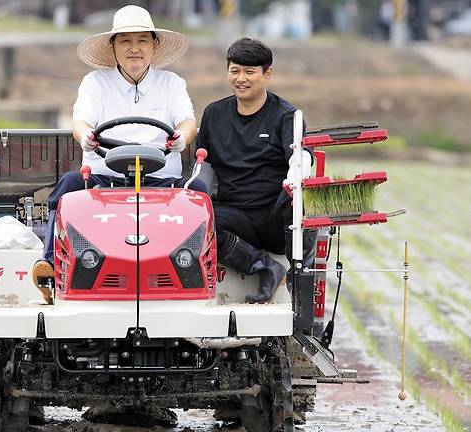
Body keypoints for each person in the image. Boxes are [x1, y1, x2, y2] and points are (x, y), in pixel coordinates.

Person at [33, 5, 205, 302]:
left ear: (155, 45)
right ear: (113, 46)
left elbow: (187, 122)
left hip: (160, 180)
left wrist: (182, 138)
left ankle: (197, 272)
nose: (134, 49)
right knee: (68, 186)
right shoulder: (95, 82)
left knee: (199, 191)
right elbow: (81, 121)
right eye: (125, 41)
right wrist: (86, 136)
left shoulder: (172, 84)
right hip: (103, 179)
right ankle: (49, 263)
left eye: (142, 41)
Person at [197, 38, 315, 303]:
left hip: (273, 214)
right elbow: (202, 165)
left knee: (300, 197)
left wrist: (299, 169)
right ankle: (266, 268)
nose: (241, 78)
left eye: (250, 72)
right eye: (235, 70)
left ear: (267, 74)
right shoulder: (214, 114)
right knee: (195, 220)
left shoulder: (287, 115)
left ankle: (300, 275)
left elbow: (301, 156)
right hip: (235, 214)